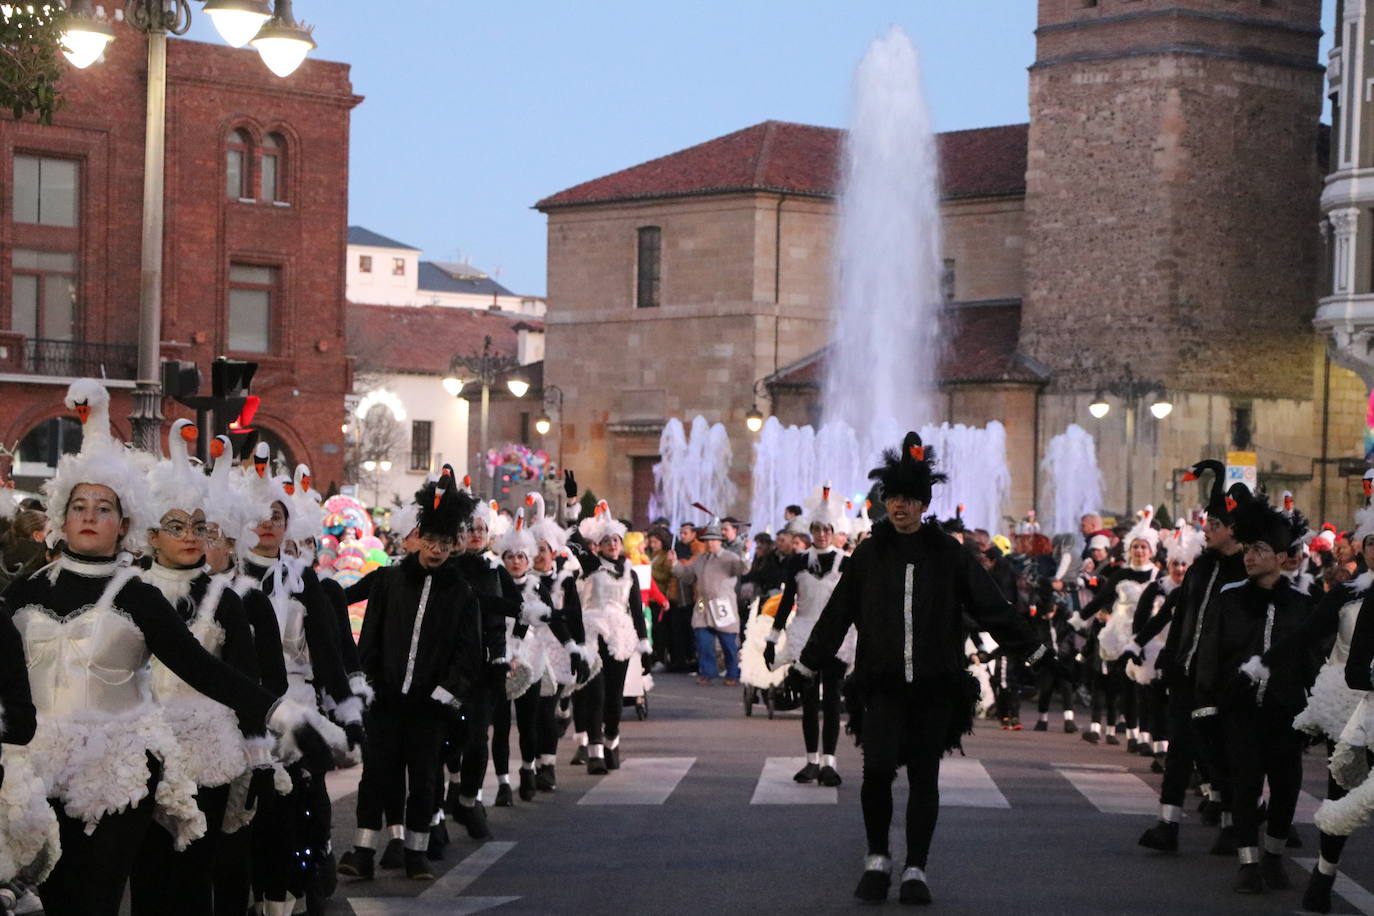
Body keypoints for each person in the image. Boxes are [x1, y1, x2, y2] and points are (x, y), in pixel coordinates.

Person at [5, 380, 342, 916]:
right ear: (61, 518)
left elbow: (203, 668)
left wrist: (285, 717)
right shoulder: (25, 589)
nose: (90, 515)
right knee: (46, 902)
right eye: (80, 505)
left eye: (105, 508)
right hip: (31, 772)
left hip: (114, 776)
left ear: (125, 525)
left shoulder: (136, 595)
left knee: (98, 900)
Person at [787, 432, 1054, 905]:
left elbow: (992, 606)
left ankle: (915, 867)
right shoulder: (870, 554)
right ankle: (876, 860)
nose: (900, 507)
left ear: (924, 503)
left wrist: (1033, 648)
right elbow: (838, 613)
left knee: (925, 777)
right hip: (883, 682)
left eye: (909, 499)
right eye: (893, 498)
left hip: (934, 684)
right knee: (877, 772)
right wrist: (805, 665)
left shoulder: (948, 553)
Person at [338, 474, 482, 882]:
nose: (436, 550)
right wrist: (365, 681)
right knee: (376, 776)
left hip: (429, 707)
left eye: (444, 542)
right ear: (417, 538)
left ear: (454, 544)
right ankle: (363, 849)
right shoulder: (389, 579)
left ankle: (416, 851)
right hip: (384, 700)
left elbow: (467, 654)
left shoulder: (461, 592)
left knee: (424, 779)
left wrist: (443, 695)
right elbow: (367, 631)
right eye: (430, 540)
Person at [1192, 498, 1314, 894]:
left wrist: (1315, 712)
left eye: (1260, 550)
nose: (1250, 556)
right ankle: (1248, 862)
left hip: (1286, 712)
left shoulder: (1302, 605)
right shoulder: (1229, 597)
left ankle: (1275, 858)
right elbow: (1209, 652)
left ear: (1281, 557)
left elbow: (1313, 660)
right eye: (1247, 549)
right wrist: (1207, 705)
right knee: (1244, 785)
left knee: (1286, 787)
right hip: (1239, 710)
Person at [1136, 461, 1250, 856]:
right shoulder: (1202, 565)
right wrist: (1168, 653)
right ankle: (1167, 824)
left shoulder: (1244, 570)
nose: (1206, 529)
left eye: (1214, 525)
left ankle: (1233, 824)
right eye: (1206, 523)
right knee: (1178, 749)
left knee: (1222, 752)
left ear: (1232, 529)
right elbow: (1182, 611)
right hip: (1186, 672)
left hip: (1221, 678)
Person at [764, 486, 851, 784]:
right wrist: (772, 640)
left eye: (827, 529)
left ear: (835, 532)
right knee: (810, 701)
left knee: (832, 701)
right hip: (803, 636)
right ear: (811, 530)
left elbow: (858, 604)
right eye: (817, 528)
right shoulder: (797, 562)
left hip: (838, 639)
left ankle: (830, 762)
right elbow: (787, 602)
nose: (822, 534)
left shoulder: (847, 563)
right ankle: (811, 760)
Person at [575, 502, 651, 773]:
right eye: (606, 540)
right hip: (594, 630)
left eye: (616, 540)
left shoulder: (629, 571)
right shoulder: (591, 565)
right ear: (599, 544)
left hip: (619, 634)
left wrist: (644, 641)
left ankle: (612, 740)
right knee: (595, 692)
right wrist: (574, 506)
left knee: (615, 696)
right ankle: (594, 751)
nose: (612, 544)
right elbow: (574, 541)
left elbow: (637, 610)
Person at [673, 517, 749, 686]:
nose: (710, 544)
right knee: (702, 639)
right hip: (703, 605)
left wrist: (744, 553)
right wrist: (675, 564)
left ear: (720, 541)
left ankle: (733, 673)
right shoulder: (700, 559)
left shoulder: (730, 558)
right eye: (707, 540)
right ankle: (707, 672)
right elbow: (688, 576)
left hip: (723, 606)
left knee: (728, 643)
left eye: (714, 540)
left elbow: (742, 569)